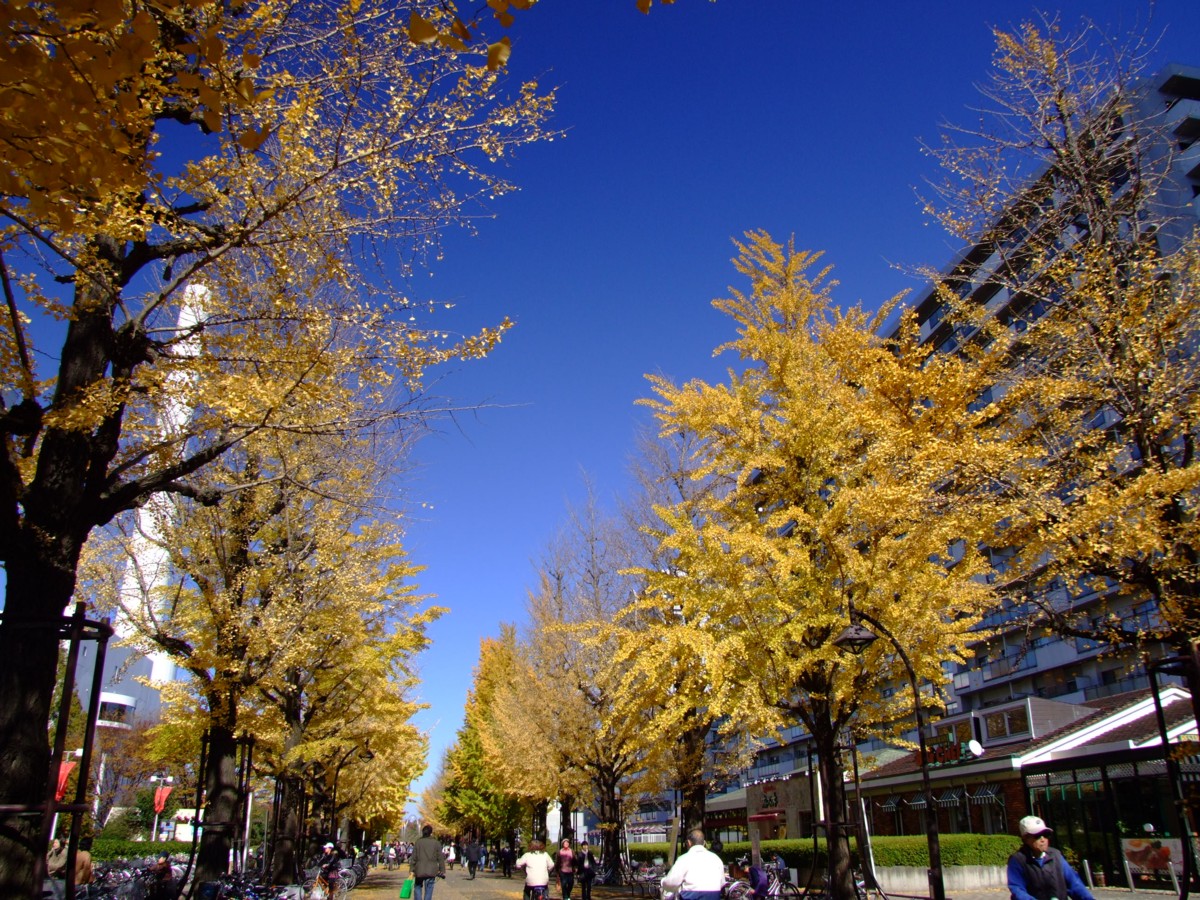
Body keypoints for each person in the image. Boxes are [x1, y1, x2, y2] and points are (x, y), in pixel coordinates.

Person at [1008, 815, 1095, 900]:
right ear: (1025, 838)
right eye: (1037, 835)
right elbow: (1017, 889)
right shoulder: (1017, 860)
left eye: (1045, 834)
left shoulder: (1056, 856)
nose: (1043, 839)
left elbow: (1074, 884)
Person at [660, 829, 725, 900]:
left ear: (688, 842)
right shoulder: (716, 859)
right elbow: (722, 883)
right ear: (704, 843)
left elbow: (671, 883)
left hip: (691, 896)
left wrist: (662, 882)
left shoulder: (684, 859)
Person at [412, 824, 447, 900]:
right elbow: (440, 857)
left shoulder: (418, 842)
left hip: (419, 869)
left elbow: (413, 857)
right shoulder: (436, 843)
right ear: (431, 833)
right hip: (431, 870)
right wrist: (442, 870)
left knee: (417, 887)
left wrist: (412, 869)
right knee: (429, 888)